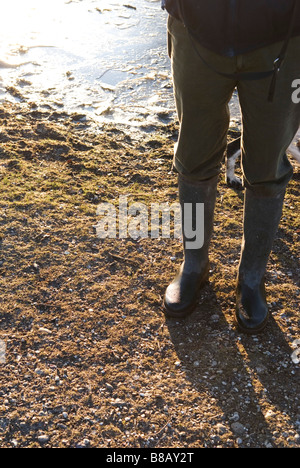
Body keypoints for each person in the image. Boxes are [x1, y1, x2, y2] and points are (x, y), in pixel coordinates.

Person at [162, 0, 300, 333]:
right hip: (195, 26)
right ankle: (194, 265)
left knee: (268, 166)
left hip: (284, 36)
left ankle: (251, 279)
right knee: (194, 158)